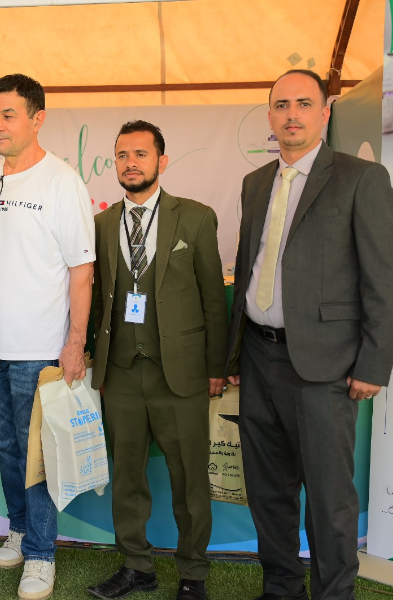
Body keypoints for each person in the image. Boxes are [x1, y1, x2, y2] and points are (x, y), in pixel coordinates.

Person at [225, 70, 393, 600]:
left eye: (304, 103)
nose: (292, 115)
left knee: (328, 499)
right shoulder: (255, 182)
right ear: (269, 115)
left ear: (325, 112)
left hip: (326, 367)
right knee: (268, 491)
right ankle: (281, 589)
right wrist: (233, 355)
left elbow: (385, 279)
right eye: (281, 105)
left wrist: (373, 365)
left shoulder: (360, 178)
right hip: (258, 358)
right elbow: (249, 266)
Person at [86, 121, 227, 600]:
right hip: (121, 374)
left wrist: (215, 367)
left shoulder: (196, 217)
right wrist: (94, 359)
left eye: (141, 154)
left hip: (181, 374)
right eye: (122, 155)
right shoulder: (102, 224)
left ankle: (193, 574)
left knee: (189, 480)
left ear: (161, 161)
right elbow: (97, 300)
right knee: (127, 476)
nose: (131, 163)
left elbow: (213, 298)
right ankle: (137, 567)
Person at [0, 73, 95, 600]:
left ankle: (42, 554)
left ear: (37, 119)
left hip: (39, 350)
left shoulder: (62, 182)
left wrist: (75, 342)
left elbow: (82, 271)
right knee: (5, 447)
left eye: (8, 115)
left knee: (36, 456)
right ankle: (19, 530)